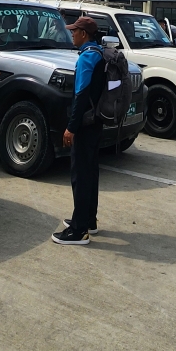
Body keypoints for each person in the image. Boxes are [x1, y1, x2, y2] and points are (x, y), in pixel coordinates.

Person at [52, 16, 106, 246]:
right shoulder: (99, 53)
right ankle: (88, 220)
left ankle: (78, 230)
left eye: (74, 31)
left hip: (85, 124)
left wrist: (71, 128)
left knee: (80, 176)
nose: (72, 34)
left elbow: (81, 95)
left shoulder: (86, 58)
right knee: (90, 173)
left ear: (84, 34)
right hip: (96, 121)